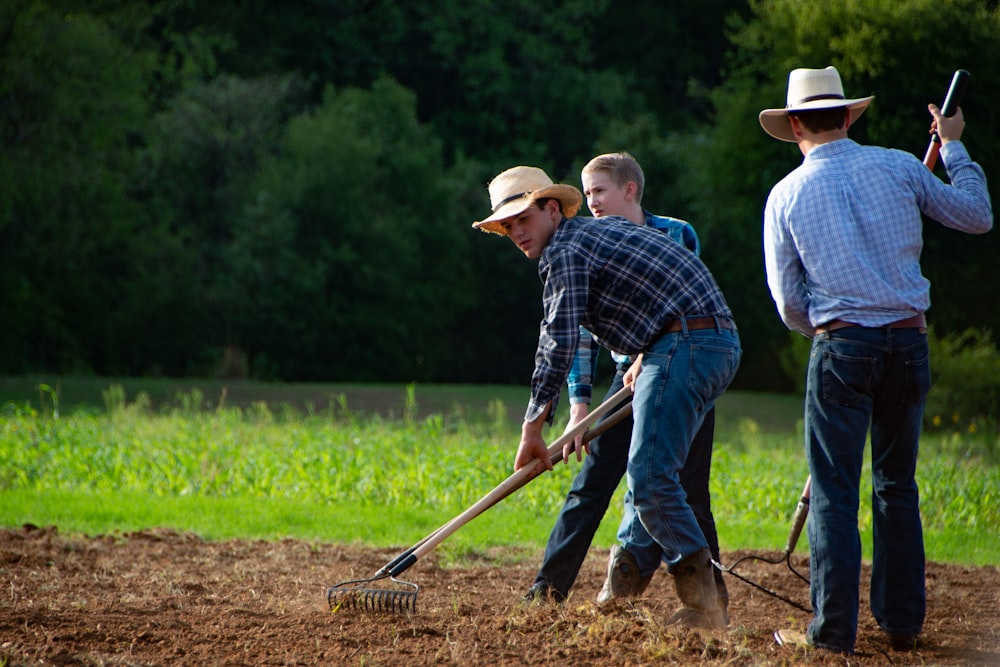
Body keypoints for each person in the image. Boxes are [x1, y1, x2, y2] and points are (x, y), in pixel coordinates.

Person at [759, 66, 993, 654]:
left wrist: (826, 325)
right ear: (845, 115)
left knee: (835, 492)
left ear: (793, 125)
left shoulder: (785, 194)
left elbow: (788, 302)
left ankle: (831, 632)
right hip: (908, 341)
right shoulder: (897, 165)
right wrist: (956, 147)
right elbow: (977, 215)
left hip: (842, 345)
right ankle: (901, 623)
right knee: (897, 486)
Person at [472, 165, 741, 628]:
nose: (516, 232)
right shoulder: (593, 235)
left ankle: (706, 606)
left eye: (523, 218)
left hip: (684, 343)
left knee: (652, 476)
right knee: (651, 473)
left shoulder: (566, 250)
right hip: (702, 342)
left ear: (552, 210)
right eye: (507, 225)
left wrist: (532, 428)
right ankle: (621, 596)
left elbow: (557, 339)